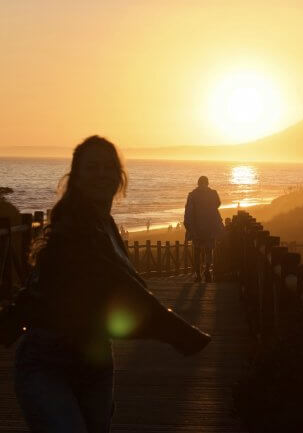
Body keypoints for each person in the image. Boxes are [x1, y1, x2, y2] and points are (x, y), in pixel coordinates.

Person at [14, 136, 211, 433]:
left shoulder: (104, 224)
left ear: (120, 178)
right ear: (76, 176)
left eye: (108, 167)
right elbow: (117, 285)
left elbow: (126, 287)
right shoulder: (73, 227)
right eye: (92, 167)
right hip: (47, 361)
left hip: (95, 360)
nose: (101, 174)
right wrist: (176, 331)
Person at [183, 176, 223, 282]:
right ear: (208, 183)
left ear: (198, 183)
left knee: (197, 251)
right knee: (209, 250)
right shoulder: (213, 193)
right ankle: (206, 271)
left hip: (196, 227)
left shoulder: (192, 195)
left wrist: (188, 225)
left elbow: (188, 211)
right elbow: (218, 203)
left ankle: (198, 274)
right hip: (210, 226)